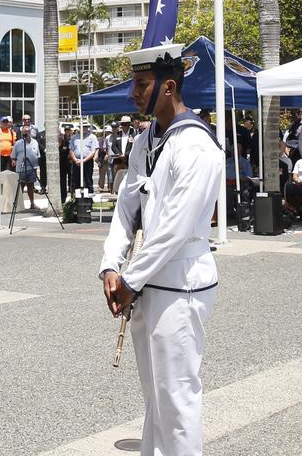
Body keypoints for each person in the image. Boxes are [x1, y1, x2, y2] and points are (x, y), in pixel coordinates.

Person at [99, 43, 221, 456]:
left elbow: (174, 227)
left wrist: (130, 279)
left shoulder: (197, 146)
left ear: (169, 87)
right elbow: (126, 208)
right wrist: (110, 266)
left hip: (181, 284)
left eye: (142, 84)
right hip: (147, 283)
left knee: (178, 399)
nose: (133, 92)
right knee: (155, 399)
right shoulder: (145, 141)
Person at [13, 126, 41, 211]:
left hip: (32, 168)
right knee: (20, 187)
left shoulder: (35, 142)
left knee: (30, 187)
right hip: (21, 168)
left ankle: (32, 203)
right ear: (22, 133)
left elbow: (37, 155)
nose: (27, 133)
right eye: (25, 132)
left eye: (28, 131)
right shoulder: (18, 143)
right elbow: (13, 156)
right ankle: (18, 205)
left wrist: (36, 167)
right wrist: (14, 161)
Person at [71, 122, 97, 194]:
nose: (84, 128)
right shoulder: (74, 138)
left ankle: (89, 199)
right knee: (76, 180)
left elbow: (93, 151)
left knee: (88, 180)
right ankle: (76, 199)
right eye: (82, 127)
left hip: (87, 161)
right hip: (77, 162)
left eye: (85, 127)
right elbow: (71, 150)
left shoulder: (92, 137)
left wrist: (84, 160)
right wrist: (76, 160)